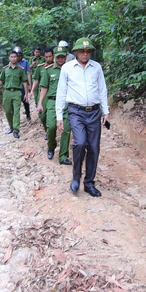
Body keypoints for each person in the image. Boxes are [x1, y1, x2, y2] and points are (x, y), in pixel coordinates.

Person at [56, 37, 109, 197]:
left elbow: (102, 90)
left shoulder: (97, 67)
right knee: (79, 143)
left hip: (94, 112)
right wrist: (59, 115)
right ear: (76, 52)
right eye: (82, 51)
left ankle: (89, 183)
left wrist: (105, 111)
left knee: (93, 147)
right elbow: (61, 91)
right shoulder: (67, 68)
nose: (85, 54)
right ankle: (76, 177)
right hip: (76, 111)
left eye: (88, 51)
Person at [37, 46, 72, 165]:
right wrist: (40, 103)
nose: (61, 59)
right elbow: (44, 87)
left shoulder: (71, 69)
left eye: (63, 56)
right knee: (51, 127)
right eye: (58, 57)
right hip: (52, 101)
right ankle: (51, 147)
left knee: (66, 129)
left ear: (66, 57)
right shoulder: (49, 70)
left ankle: (63, 156)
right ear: (55, 57)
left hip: (68, 102)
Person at [0, 49, 29, 139]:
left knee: (16, 112)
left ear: (17, 58)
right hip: (7, 92)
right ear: (9, 58)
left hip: (17, 92)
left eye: (15, 57)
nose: (14, 58)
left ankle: (16, 130)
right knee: (7, 111)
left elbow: (25, 82)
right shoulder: (5, 69)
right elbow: (1, 79)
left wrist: (26, 94)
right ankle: (11, 126)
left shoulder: (21, 70)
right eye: (12, 57)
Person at [31, 47, 54, 137]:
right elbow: (36, 80)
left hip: (54, 94)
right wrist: (31, 91)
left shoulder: (58, 67)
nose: (48, 59)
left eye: (50, 56)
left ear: (53, 56)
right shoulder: (40, 67)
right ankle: (47, 131)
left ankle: (52, 131)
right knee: (42, 115)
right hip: (43, 94)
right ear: (44, 57)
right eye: (46, 57)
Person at [11, 46, 33, 122]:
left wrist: (30, 85)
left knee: (25, 100)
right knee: (13, 104)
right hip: (14, 86)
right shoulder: (11, 63)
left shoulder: (25, 62)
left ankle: (28, 115)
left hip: (23, 85)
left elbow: (28, 73)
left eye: (19, 55)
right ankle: (15, 119)